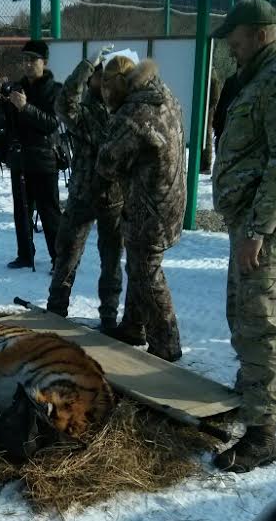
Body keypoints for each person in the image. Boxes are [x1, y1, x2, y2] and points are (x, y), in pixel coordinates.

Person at [211, 0, 276, 473]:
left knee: (261, 322)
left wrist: (259, 230)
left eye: (235, 37)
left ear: (260, 32)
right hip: (247, 222)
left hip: (265, 227)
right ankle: (252, 401)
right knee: (241, 315)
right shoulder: (258, 77)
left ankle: (264, 435)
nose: (231, 46)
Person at [97, 55, 186, 362]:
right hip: (170, 199)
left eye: (109, 87)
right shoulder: (163, 95)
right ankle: (134, 327)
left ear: (122, 84)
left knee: (146, 271)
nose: (105, 94)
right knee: (138, 265)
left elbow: (107, 163)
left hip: (148, 205)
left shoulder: (134, 112)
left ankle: (167, 343)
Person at [46, 54, 123, 327]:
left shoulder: (122, 109)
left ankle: (109, 315)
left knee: (112, 259)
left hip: (114, 196)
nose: (105, 83)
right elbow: (64, 102)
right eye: (99, 76)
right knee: (67, 254)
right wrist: (86, 66)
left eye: (109, 77)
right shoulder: (84, 110)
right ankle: (56, 308)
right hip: (83, 193)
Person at [0, 40, 62, 270]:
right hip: (19, 158)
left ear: (45, 62)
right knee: (21, 210)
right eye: (25, 60)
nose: (28, 64)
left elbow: (52, 124)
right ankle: (25, 254)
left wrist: (25, 107)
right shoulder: (16, 88)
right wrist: (3, 104)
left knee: (49, 212)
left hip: (43, 160)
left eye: (33, 60)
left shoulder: (55, 89)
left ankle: (59, 258)